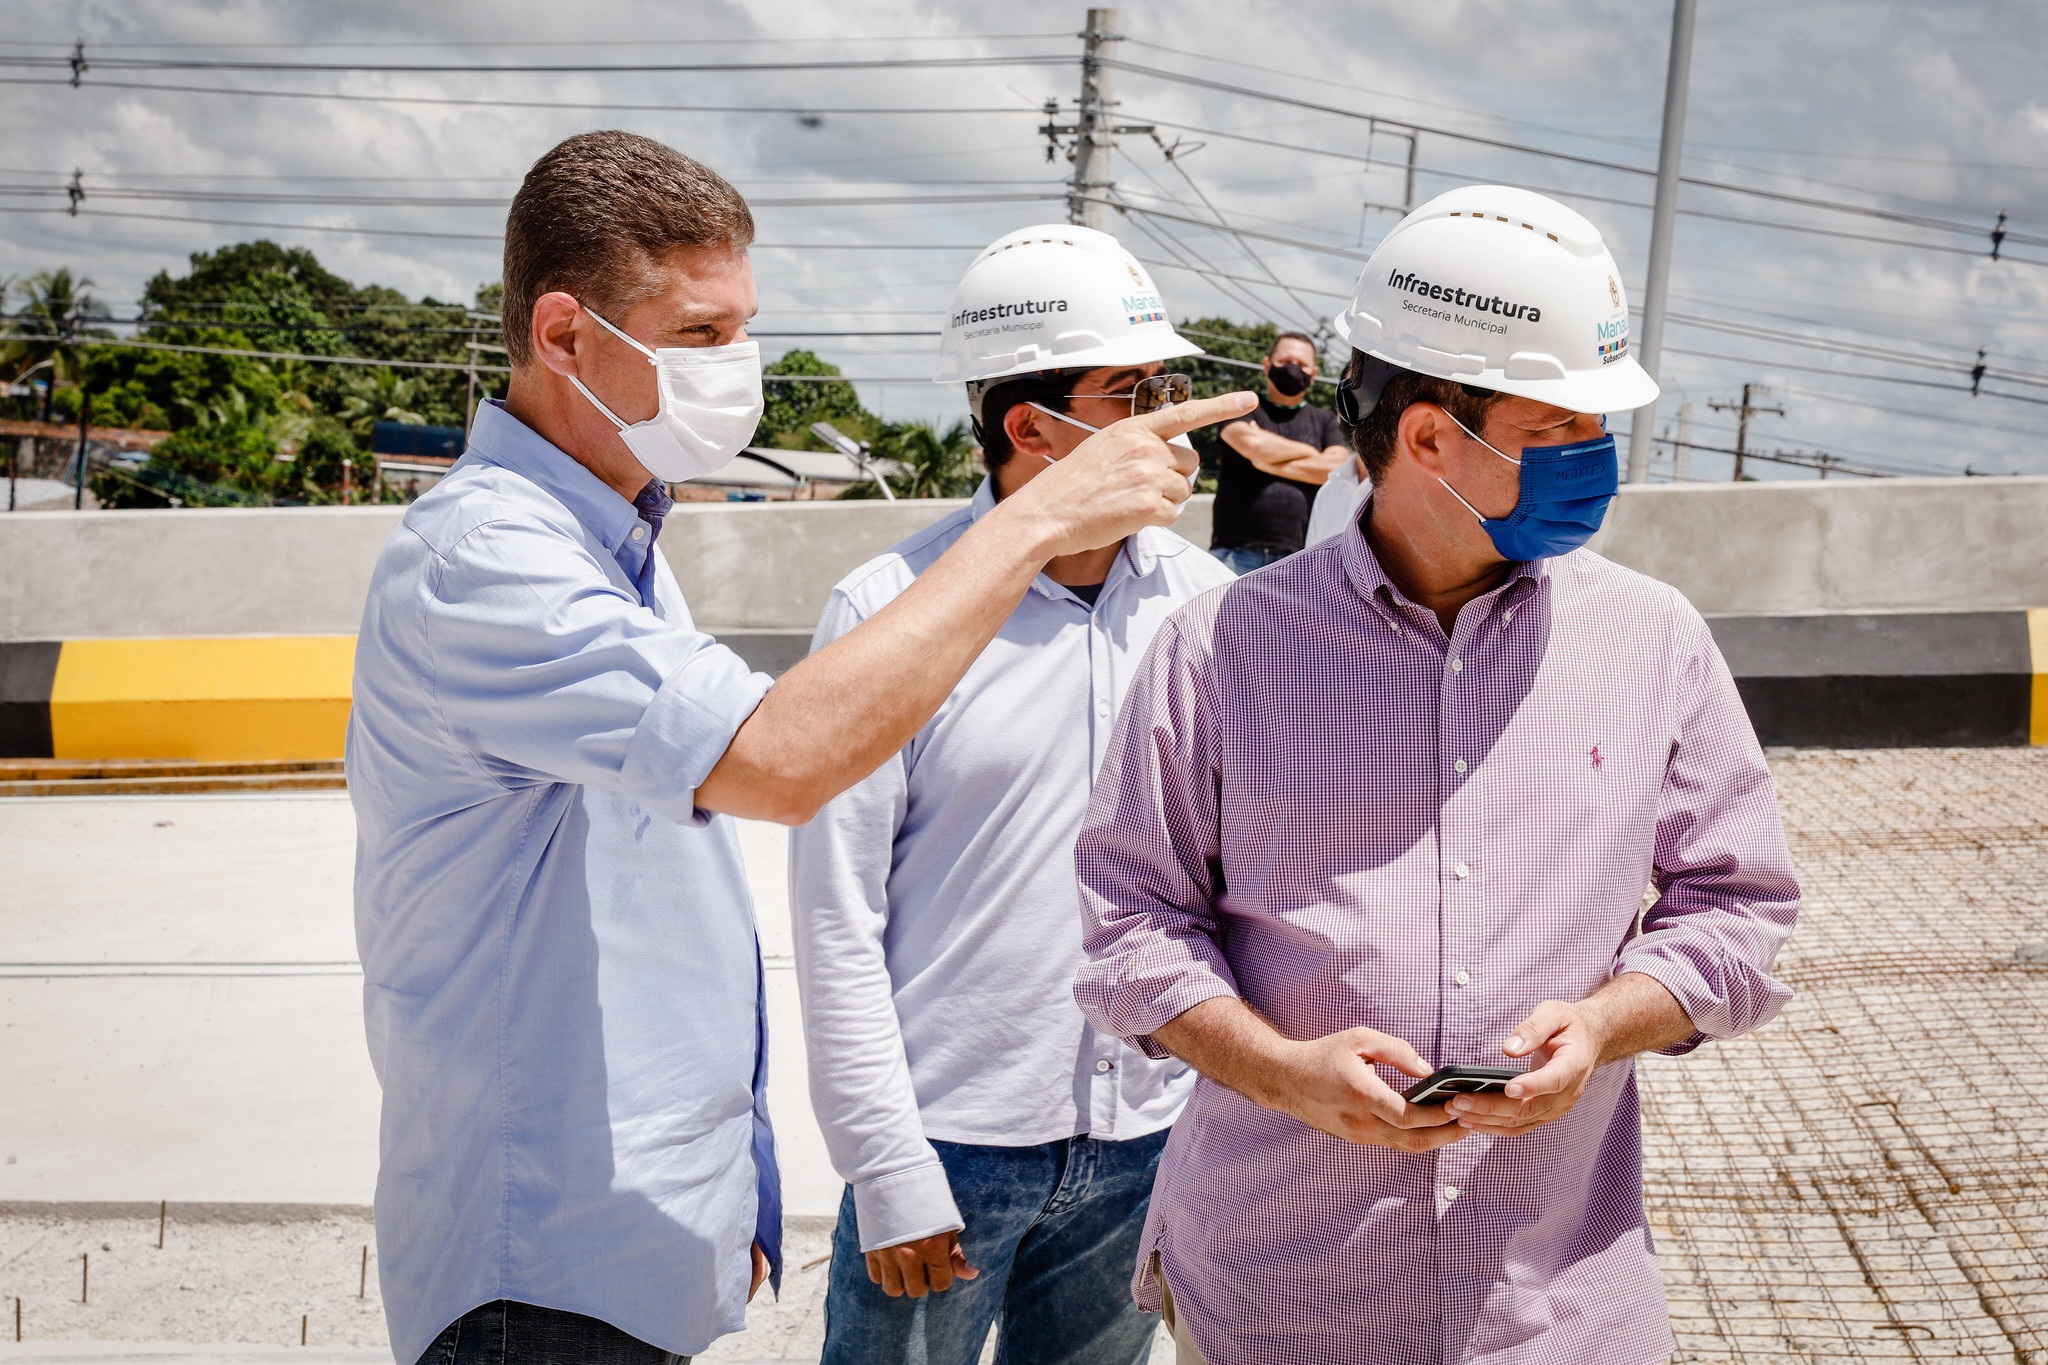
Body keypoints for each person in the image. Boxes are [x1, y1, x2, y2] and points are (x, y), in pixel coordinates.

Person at [346, 132, 1251, 1365]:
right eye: (702, 336)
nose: (741, 370)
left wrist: (737, 1164)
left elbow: (652, 907)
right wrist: (1039, 520)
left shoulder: (614, 551)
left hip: (625, 1235)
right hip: (536, 1269)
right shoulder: (487, 565)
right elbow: (782, 767)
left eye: (743, 330)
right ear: (563, 337)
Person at [1072, 186, 1802, 1364]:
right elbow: (1130, 928)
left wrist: (1606, 1027)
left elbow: (1738, 908)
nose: (1596, 461)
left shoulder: (1651, 639)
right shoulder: (1218, 650)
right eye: (1559, 429)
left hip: (1554, 1307)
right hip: (1278, 1297)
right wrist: (1283, 1073)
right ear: (1425, 438)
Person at [789, 225, 1236, 1365]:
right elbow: (837, 915)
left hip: (1143, 1137)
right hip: (946, 1151)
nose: (1163, 421)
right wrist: (884, 1168)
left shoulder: (1201, 604)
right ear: (1031, 429)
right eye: (1131, 392)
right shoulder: (888, 609)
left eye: (1162, 386)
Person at [1207, 331, 1350, 572]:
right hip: (1233, 552)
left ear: (1314, 374)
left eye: (1302, 365)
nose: (1293, 369)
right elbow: (1253, 445)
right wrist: (1312, 453)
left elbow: (1335, 468)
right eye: (1285, 362)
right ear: (1267, 365)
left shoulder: (1324, 420)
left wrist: (1265, 462)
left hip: (1300, 556)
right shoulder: (1243, 406)